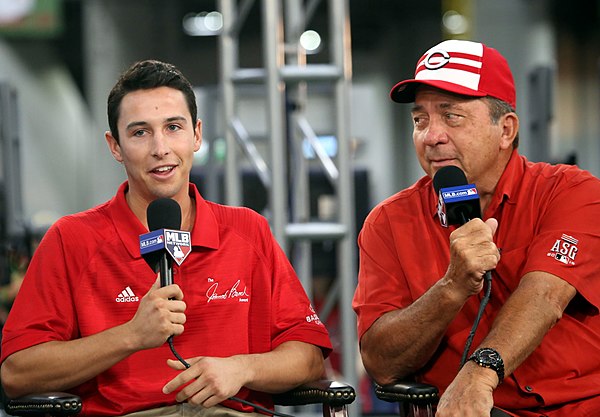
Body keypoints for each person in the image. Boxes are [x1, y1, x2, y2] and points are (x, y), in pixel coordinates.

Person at [0, 60, 332, 417]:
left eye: (173, 127)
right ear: (115, 146)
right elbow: (18, 374)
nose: (161, 148)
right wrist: (131, 336)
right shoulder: (71, 239)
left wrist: (242, 368)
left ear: (197, 135)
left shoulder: (247, 230)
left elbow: (309, 359)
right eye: (140, 132)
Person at [352, 39, 600, 417]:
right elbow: (382, 364)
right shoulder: (388, 222)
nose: (431, 136)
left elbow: (545, 295)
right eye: (420, 120)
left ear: (506, 130)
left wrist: (480, 374)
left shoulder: (572, 192)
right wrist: (452, 287)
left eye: (451, 117)